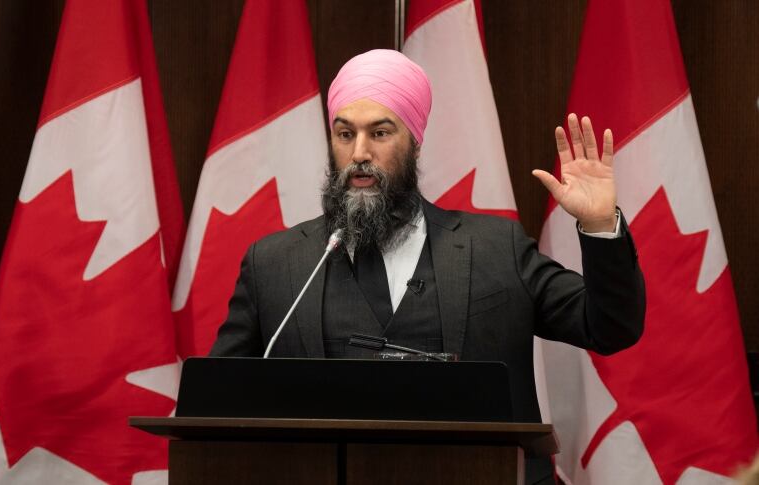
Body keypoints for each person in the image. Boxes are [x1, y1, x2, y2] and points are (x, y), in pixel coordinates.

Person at [210, 49, 646, 484]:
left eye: (379, 133)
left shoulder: (496, 249)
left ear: (415, 141)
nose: (359, 152)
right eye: (345, 134)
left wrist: (599, 224)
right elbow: (215, 403)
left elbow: (610, 326)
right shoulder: (275, 263)